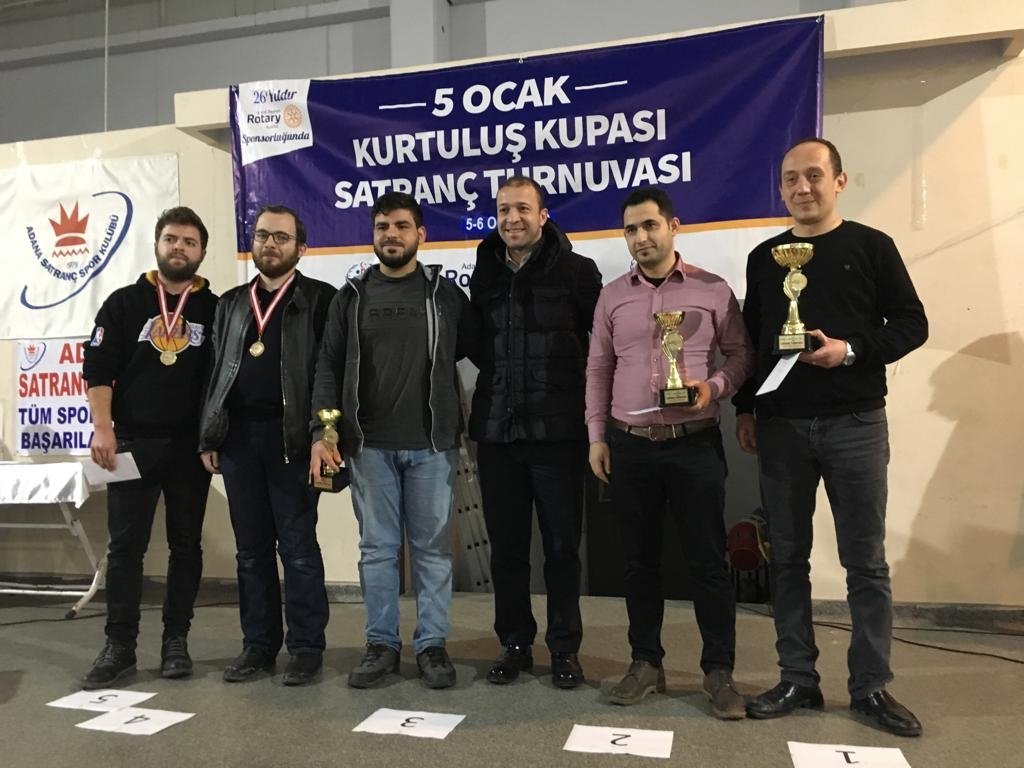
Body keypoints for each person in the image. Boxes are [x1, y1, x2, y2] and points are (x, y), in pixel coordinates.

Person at [734, 138, 927, 737]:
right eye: (791, 178)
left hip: (856, 424)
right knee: (787, 559)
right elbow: (755, 340)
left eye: (814, 175)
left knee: (865, 563)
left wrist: (851, 351)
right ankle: (798, 678)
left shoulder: (872, 246)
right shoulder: (765, 258)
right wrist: (745, 408)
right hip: (781, 427)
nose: (802, 187)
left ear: (839, 181)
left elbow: (913, 324)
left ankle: (870, 686)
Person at [585, 187, 753, 719]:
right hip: (630, 446)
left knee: (708, 562)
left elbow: (742, 355)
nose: (641, 237)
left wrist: (715, 387)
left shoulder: (713, 289)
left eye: (650, 225)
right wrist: (596, 436)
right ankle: (645, 663)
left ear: (673, 226)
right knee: (638, 562)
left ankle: (719, 672)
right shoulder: (612, 296)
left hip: (694, 444)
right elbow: (599, 368)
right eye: (631, 229)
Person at [310, 192, 476, 690]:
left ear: (420, 234)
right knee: (378, 551)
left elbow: (469, 353)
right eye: (382, 226)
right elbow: (327, 367)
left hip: (431, 446)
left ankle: (432, 645)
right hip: (368, 448)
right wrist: (324, 431)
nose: (391, 234)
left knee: (432, 551)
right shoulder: (350, 297)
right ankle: (381, 644)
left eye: (402, 226)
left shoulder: (445, 296)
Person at [469, 175, 602, 688]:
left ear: (543, 215)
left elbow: (602, 349)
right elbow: (478, 344)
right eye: (504, 210)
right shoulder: (485, 271)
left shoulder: (578, 271)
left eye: (523, 209)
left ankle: (564, 649)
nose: (512, 219)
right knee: (507, 550)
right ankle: (515, 644)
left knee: (562, 549)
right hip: (498, 434)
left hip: (559, 434)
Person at [80, 207, 218, 689]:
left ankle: (176, 641)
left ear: (202, 252)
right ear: (157, 245)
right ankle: (119, 646)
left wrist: (214, 438)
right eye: (171, 239)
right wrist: (103, 428)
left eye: (189, 241)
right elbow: (98, 369)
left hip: (189, 447)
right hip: (131, 442)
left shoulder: (216, 308)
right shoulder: (123, 302)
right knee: (125, 549)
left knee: (186, 546)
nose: (179, 247)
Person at [198, 204, 335, 686]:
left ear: (301, 247)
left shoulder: (321, 300)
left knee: (297, 548)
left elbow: (329, 375)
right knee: (250, 551)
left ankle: (306, 648)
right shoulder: (231, 303)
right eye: (262, 236)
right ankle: (258, 645)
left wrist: (323, 436)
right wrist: (210, 434)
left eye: (281, 237)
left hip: (291, 440)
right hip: (239, 441)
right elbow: (216, 374)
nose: (269, 244)